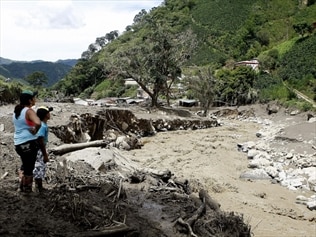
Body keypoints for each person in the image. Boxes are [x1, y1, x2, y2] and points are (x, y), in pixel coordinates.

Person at [13, 90, 41, 193]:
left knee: (25, 164)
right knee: (29, 168)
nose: (35, 99)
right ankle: (27, 190)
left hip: (18, 143)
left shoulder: (17, 111)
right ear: (30, 100)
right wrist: (35, 131)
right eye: (34, 98)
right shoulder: (29, 111)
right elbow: (38, 122)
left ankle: (21, 186)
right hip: (29, 143)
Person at [33, 106, 53, 192]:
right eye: (48, 112)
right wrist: (45, 154)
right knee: (39, 167)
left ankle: (39, 186)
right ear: (45, 115)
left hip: (38, 149)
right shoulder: (42, 126)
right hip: (39, 150)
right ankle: (38, 188)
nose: (50, 114)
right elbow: (40, 139)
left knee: (40, 167)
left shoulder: (42, 124)